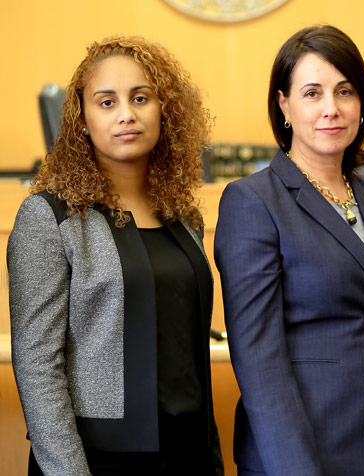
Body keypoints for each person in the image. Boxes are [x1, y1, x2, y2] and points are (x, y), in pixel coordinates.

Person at [213, 25, 364, 476]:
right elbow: (259, 360)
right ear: (284, 105)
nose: (331, 109)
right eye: (312, 93)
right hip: (307, 450)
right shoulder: (253, 200)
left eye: (345, 91)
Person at [8, 36, 223, 475]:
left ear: (164, 111)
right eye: (106, 102)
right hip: (95, 460)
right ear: (81, 120)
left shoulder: (184, 218)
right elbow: (37, 367)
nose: (126, 114)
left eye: (140, 97)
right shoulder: (49, 216)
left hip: (188, 454)